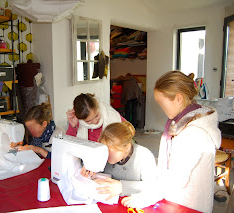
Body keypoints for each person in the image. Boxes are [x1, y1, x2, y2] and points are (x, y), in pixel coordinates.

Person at [121, 71, 221, 213]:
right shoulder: (182, 122)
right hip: (180, 199)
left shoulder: (193, 133)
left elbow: (177, 179)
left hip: (187, 204)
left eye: (162, 103)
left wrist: (144, 198)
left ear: (178, 98)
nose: (161, 109)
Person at [81, 121, 157, 201]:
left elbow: (153, 186)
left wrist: (122, 187)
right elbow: (85, 163)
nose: (106, 154)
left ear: (127, 147)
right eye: (104, 149)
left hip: (129, 202)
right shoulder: (103, 153)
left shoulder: (144, 156)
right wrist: (89, 163)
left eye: (110, 151)